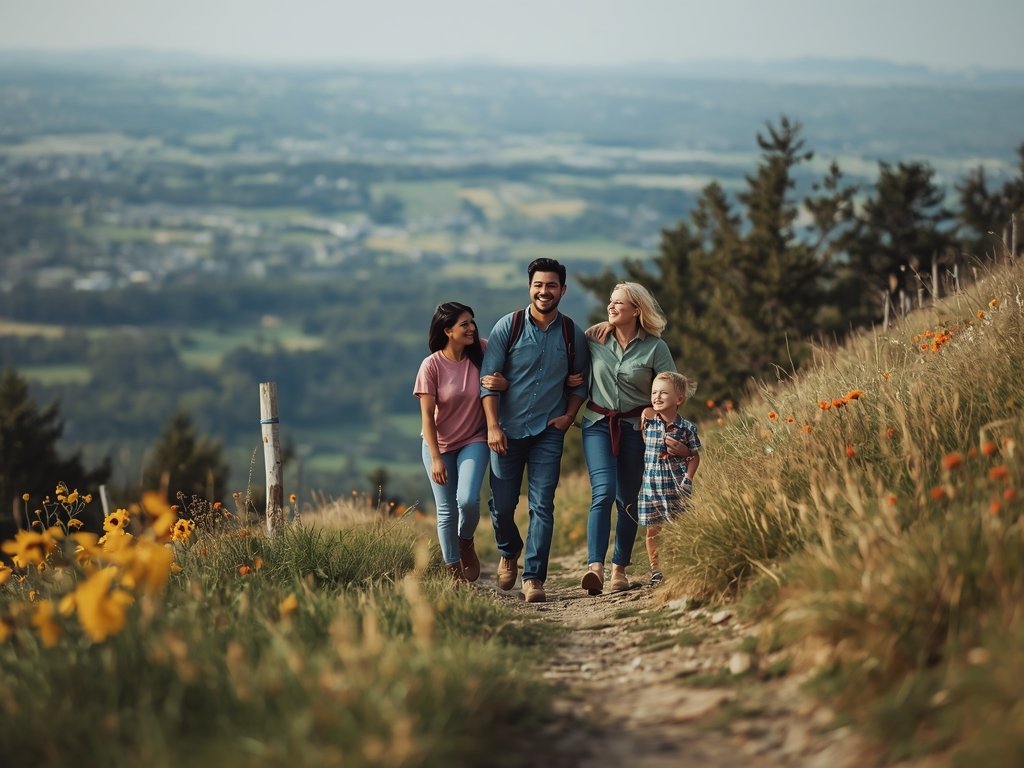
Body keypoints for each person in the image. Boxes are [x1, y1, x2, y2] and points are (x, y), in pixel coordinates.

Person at [480, 258, 591, 603]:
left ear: (563, 290)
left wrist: (569, 415)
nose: (545, 292)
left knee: (543, 505)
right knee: (501, 506)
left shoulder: (573, 334)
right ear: (530, 287)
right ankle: (509, 550)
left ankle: (534, 578)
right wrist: (493, 426)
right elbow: (488, 384)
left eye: (552, 285)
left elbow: (580, 384)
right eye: (539, 285)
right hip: (506, 432)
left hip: (548, 431)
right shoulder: (508, 327)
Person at [575, 282, 677, 596]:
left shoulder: (655, 347)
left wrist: (650, 407)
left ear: (636, 309)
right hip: (597, 424)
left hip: (636, 431)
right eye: (610, 301)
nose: (611, 306)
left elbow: (670, 389)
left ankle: (619, 569)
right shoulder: (594, 340)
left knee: (628, 501)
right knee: (603, 491)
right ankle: (595, 568)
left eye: (619, 303)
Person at [414, 302, 507, 582]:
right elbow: (427, 418)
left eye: (472, 322)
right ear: (447, 331)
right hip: (438, 445)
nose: (471, 328)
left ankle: (465, 541)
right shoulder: (431, 366)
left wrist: (504, 384)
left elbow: (508, 375)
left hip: (474, 439)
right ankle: (453, 571)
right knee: (446, 511)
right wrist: (436, 457)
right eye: (464, 324)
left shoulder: (483, 349)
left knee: (467, 500)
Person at [638, 371, 701, 587]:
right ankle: (656, 570)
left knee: (678, 527)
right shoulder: (649, 422)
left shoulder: (687, 428)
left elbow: (694, 456)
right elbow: (647, 410)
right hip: (650, 487)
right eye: (654, 392)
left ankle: (678, 565)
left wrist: (688, 479)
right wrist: (649, 410)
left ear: (679, 399)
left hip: (675, 486)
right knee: (652, 530)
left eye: (663, 393)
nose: (656, 397)